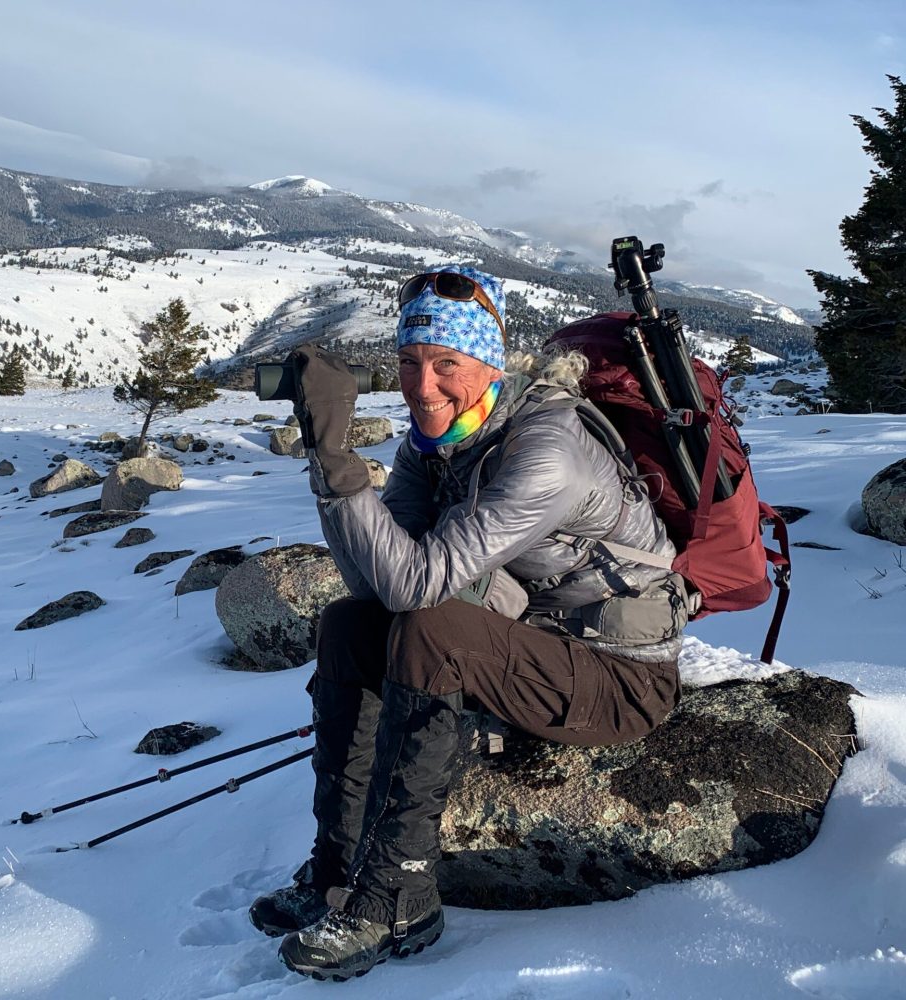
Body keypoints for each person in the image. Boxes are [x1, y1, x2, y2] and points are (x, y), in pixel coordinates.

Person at [249, 265, 687, 981]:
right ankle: (337, 868)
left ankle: (400, 894)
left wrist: (334, 459)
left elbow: (415, 584)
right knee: (347, 626)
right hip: (533, 652)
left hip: (620, 677)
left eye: (445, 364)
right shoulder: (439, 444)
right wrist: (334, 468)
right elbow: (375, 585)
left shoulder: (546, 452)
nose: (423, 387)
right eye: (408, 363)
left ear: (490, 362)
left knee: (431, 630)